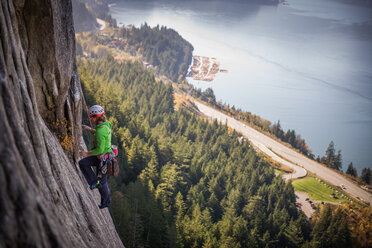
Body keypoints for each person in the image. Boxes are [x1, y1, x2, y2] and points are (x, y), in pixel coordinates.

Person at [79, 105, 113, 209]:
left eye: (92, 117)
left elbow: (99, 150)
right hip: (105, 157)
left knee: (102, 182)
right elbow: (101, 134)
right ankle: (95, 183)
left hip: (102, 159)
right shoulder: (106, 125)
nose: (92, 120)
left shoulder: (100, 130)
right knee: (83, 164)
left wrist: (86, 154)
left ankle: (106, 201)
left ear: (95, 116)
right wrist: (89, 129)